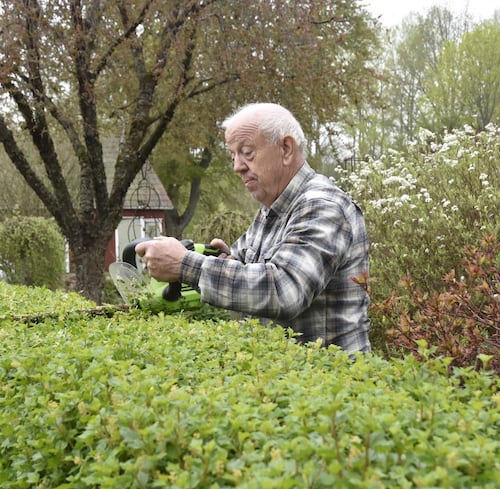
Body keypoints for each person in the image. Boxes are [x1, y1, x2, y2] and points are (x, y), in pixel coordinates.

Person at [136, 103, 371, 354]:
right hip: (291, 380)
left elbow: (284, 290)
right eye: (233, 156)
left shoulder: (322, 207)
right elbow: (252, 275)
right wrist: (227, 261)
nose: (237, 166)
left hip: (334, 383)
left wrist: (185, 265)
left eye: (247, 152)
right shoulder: (271, 208)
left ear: (286, 149)